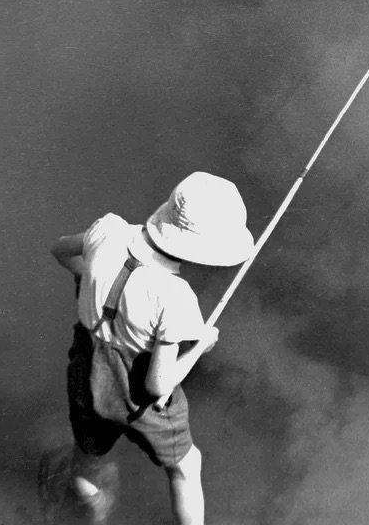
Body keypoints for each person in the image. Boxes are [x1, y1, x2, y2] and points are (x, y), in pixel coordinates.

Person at [39, 172, 254, 524]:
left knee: (86, 454)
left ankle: (89, 511)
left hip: (87, 372)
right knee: (187, 467)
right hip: (137, 398)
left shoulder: (106, 230)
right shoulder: (175, 296)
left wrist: (90, 279)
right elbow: (157, 387)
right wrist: (199, 347)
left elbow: (60, 250)